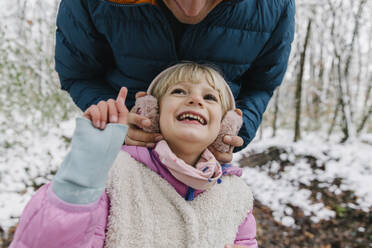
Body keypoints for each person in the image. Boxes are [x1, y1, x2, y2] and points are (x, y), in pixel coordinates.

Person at [10, 63, 257, 248]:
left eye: (209, 97)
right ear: (151, 111)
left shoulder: (236, 197)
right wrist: (82, 174)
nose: (195, 100)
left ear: (226, 124)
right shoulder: (114, 176)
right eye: (180, 91)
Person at [55, 0, 295, 163]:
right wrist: (116, 120)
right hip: (121, 156)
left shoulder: (274, 6)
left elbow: (262, 83)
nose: (193, 9)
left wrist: (238, 128)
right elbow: (79, 73)